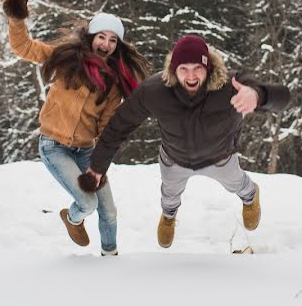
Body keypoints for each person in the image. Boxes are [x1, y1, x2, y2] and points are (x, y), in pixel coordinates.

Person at [79, 34, 290, 248]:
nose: (191, 76)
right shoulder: (155, 91)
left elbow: (284, 97)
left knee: (238, 183)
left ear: (208, 67)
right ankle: (169, 216)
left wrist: (258, 95)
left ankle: (251, 197)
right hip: (175, 159)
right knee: (169, 194)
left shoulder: (231, 85)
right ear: (174, 69)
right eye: (183, 69)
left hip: (220, 157)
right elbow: (119, 125)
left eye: (197, 68)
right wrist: (97, 167)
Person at [2, 0, 150, 256]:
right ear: (91, 36)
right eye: (102, 37)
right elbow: (24, 47)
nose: (106, 44)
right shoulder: (64, 58)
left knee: (109, 211)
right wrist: (17, 18)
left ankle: (110, 256)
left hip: (86, 151)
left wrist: (99, 166)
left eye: (113, 40)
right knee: (86, 202)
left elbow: (107, 128)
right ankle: (72, 219)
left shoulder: (113, 83)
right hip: (54, 147)